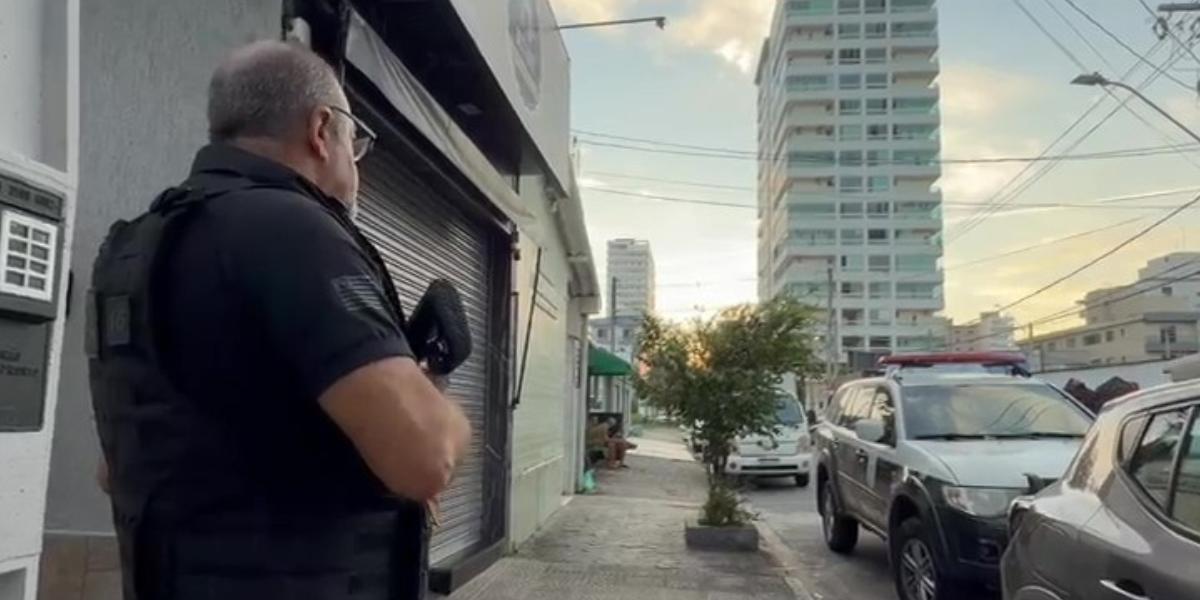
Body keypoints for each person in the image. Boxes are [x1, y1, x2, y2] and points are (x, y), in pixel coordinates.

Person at [87, 41, 470, 600]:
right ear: (322, 130)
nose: (355, 168)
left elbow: (116, 467)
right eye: (354, 143)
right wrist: (439, 393)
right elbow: (424, 460)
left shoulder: (138, 244)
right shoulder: (295, 230)